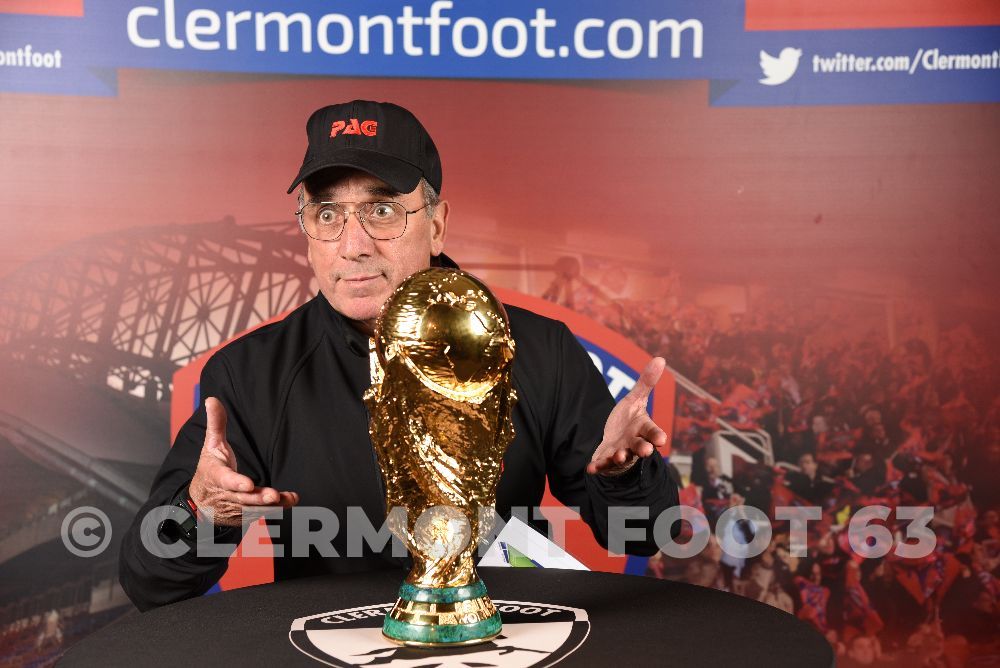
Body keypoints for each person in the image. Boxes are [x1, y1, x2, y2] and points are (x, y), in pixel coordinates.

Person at [118, 100, 679, 611]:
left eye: (382, 210)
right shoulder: (250, 375)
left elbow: (644, 534)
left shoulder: (538, 349)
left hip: (500, 646)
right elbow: (151, 581)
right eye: (327, 214)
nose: (353, 245)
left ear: (436, 226)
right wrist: (200, 513)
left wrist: (627, 475)